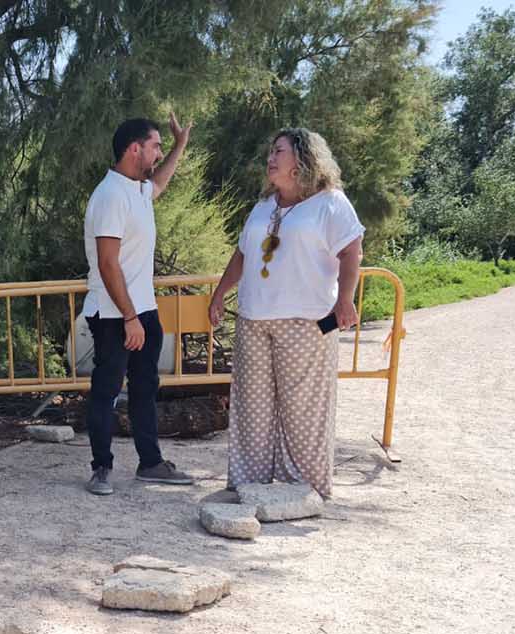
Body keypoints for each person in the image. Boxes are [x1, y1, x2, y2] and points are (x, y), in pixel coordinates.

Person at [208, 127, 363, 499]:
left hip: (306, 320)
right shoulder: (263, 206)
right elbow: (243, 253)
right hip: (254, 317)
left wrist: (345, 299)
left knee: (303, 407)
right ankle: (250, 482)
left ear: (303, 159)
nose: (270, 158)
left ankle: (304, 487)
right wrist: (220, 293)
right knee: (252, 406)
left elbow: (351, 250)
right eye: (270, 151)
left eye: (279, 151)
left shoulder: (330, 202)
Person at [82, 115, 194, 495]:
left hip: (142, 310)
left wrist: (180, 144)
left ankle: (151, 463)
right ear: (135, 149)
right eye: (155, 146)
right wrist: (130, 317)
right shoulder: (110, 195)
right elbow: (107, 263)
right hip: (115, 314)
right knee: (107, 390)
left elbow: (160, 180)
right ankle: (101, 467)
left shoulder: (138, 189)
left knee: (146, 388)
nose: (158, 153)